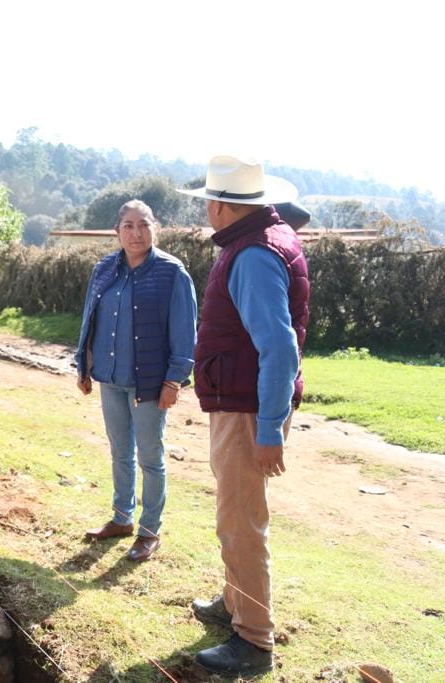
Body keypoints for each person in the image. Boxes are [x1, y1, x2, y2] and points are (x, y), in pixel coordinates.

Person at [177, 155, 310, 678]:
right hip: (242, 401)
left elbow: (278, 348)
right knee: (235, 514)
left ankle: (253, 640)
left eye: (211, 201)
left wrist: (272, 428)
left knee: (241, 522)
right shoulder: (260, 241)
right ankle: (236, 604)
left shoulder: (253, 254)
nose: (208, 210)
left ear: (222, 207)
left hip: (248, 409)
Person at [75, 199, 197, 562]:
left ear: (155, 228)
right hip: (110, 379)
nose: (136, 232)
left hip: (151, 384)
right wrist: (83, 366)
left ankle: (149, 530)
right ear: (117, 231)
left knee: (150, 456)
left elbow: (184, 333)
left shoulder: (172, 273)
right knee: (119, 451)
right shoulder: (104, 269)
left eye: (143, 224)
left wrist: (174, 380)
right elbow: (89, 320)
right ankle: (121, 518)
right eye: (128, 225)